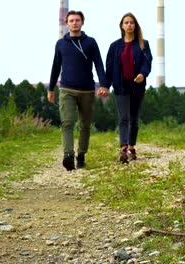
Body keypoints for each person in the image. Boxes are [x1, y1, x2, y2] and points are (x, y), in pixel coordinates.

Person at [48, 10, 109, 171]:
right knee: (67, 123)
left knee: (85, 125)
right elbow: (55, 66)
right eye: (71, 20)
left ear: (82, 22)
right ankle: (68, 155)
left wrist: (103, 85)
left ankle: (81, 155)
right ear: (67, 23)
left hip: (87, 90)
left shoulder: (91, 42)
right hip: (66, 89)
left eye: (77, 20)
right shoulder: (61, 44)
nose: (74, 23)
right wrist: (51, 88)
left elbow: (99, 65)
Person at [106, 12, 152, 163]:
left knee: (134, 118)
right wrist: (105, 85)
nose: (129, 25)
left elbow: (147, 63)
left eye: (131, 22)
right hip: (120, 86)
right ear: (122, 26)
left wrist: (143, 74)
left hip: (137, 86)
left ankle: (132, 145)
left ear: (135, 25)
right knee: (124, 117)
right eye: (126, 22)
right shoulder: (115, 46)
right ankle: (124, 148)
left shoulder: (143, 44)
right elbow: (109, 68)